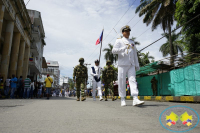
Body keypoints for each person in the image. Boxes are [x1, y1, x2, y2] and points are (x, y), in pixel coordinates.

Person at [112, 25, 144, 106]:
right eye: (126, 31)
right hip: (122, 64)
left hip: (131, 64)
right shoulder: (119, 41)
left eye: (129, 31)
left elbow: (135, 54)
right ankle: (122, 99)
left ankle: (135, 98)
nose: (128, 32)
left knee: (132, 80)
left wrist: (137, 64)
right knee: (122, 81)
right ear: (123, 33)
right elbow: (113, 51)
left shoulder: (132, 42)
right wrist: (123, 49)